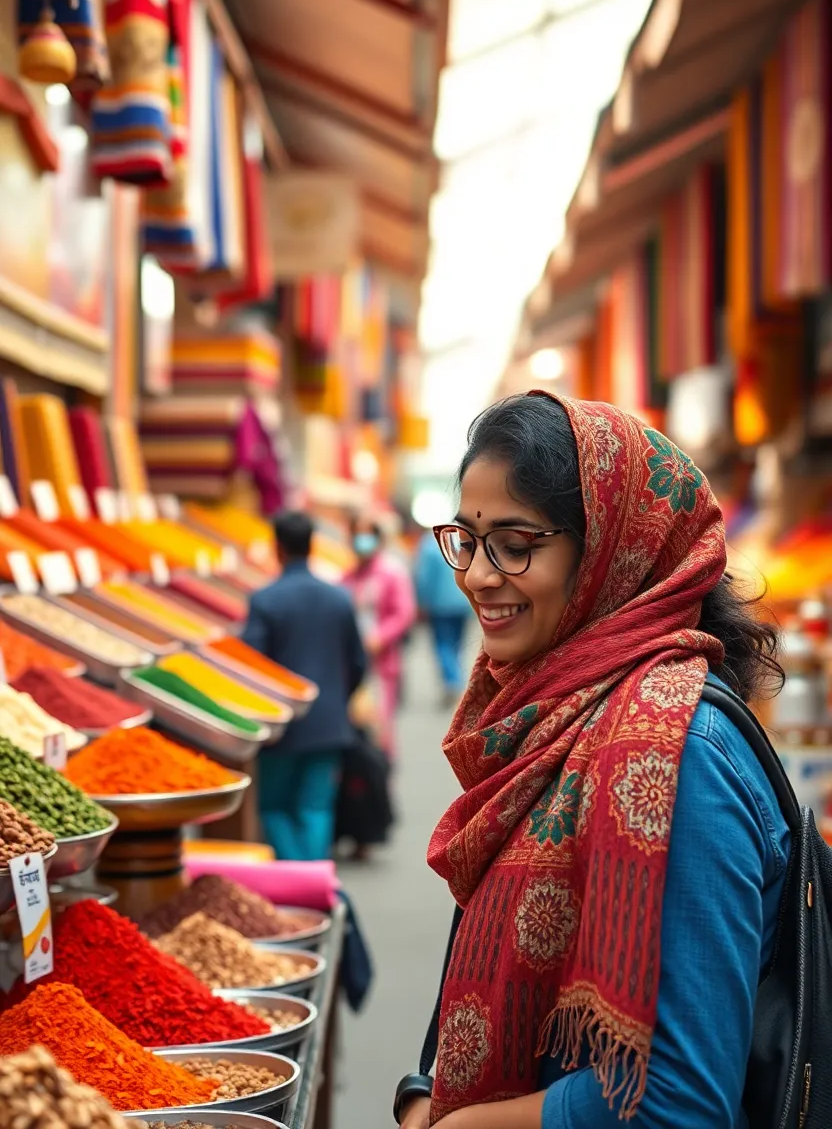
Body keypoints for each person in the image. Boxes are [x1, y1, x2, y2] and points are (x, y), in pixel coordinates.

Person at [395, 392, 786, 1129]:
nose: (477, 575)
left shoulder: (675, 756)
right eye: (468, 540)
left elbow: (680, 1103)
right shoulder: (553, 723)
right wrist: (426, 1092)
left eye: (515, 544)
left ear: (612, 551)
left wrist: (459, 1125)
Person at [242, 510, 366, 862]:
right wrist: (338, 700)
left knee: (274, 807)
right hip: (328, 722)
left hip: (282, 725)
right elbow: (358, 662)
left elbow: (252, 665)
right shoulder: (339, 598)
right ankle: (316, 875)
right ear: (311, 545)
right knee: (316, 807)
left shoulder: (265, 601)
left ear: (277, 548)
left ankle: (299, 872)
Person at [343, 513, 417, 758]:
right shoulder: (348, 576)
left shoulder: (392, 572)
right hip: (352, 666)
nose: (361, 541)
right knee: (357, 727)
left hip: (381, 666)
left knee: (380, 730)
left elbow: (404, 612)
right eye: (357, 535)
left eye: (367, 535)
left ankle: (380, 781)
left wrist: (379, 638)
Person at [414, 527, 470, 705]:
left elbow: (424, 579)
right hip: (462, 602)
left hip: (440, 606)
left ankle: (453, 682)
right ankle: (457, 679)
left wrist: (422, 602)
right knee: (456, 644)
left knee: (444, 645)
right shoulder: (458, 540)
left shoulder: (429, 546)